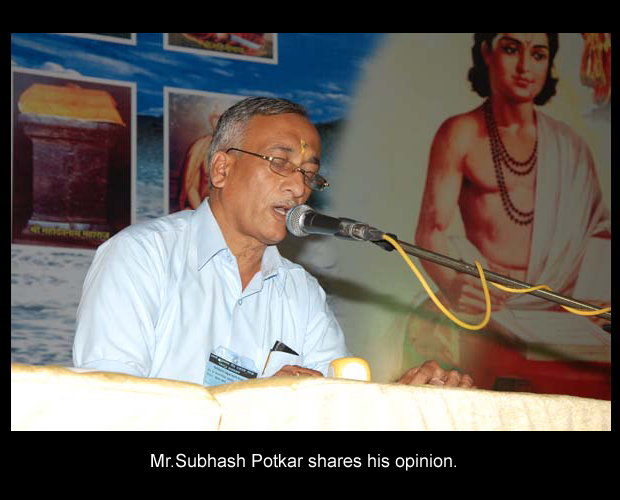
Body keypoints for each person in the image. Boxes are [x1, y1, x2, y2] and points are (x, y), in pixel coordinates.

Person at [73, 97, 473, 388]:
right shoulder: (141, 257)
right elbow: (111, 404)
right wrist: (260, 404)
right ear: (221, 168)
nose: (299, 187)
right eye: (280, 163)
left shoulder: (301, 292)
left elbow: (340, 408)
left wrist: (406, 394)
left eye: (309, 173)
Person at [404, 34, 610, 372]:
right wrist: (453, 284)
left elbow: (599, 232)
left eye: (538, 54)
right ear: (487, 52)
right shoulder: (461, 133)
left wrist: (592, 300)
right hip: (487, 301)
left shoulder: (570, 146)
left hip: (558, 308)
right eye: (512, 49)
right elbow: (431, 231)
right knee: (438, 352)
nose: (525, 67)